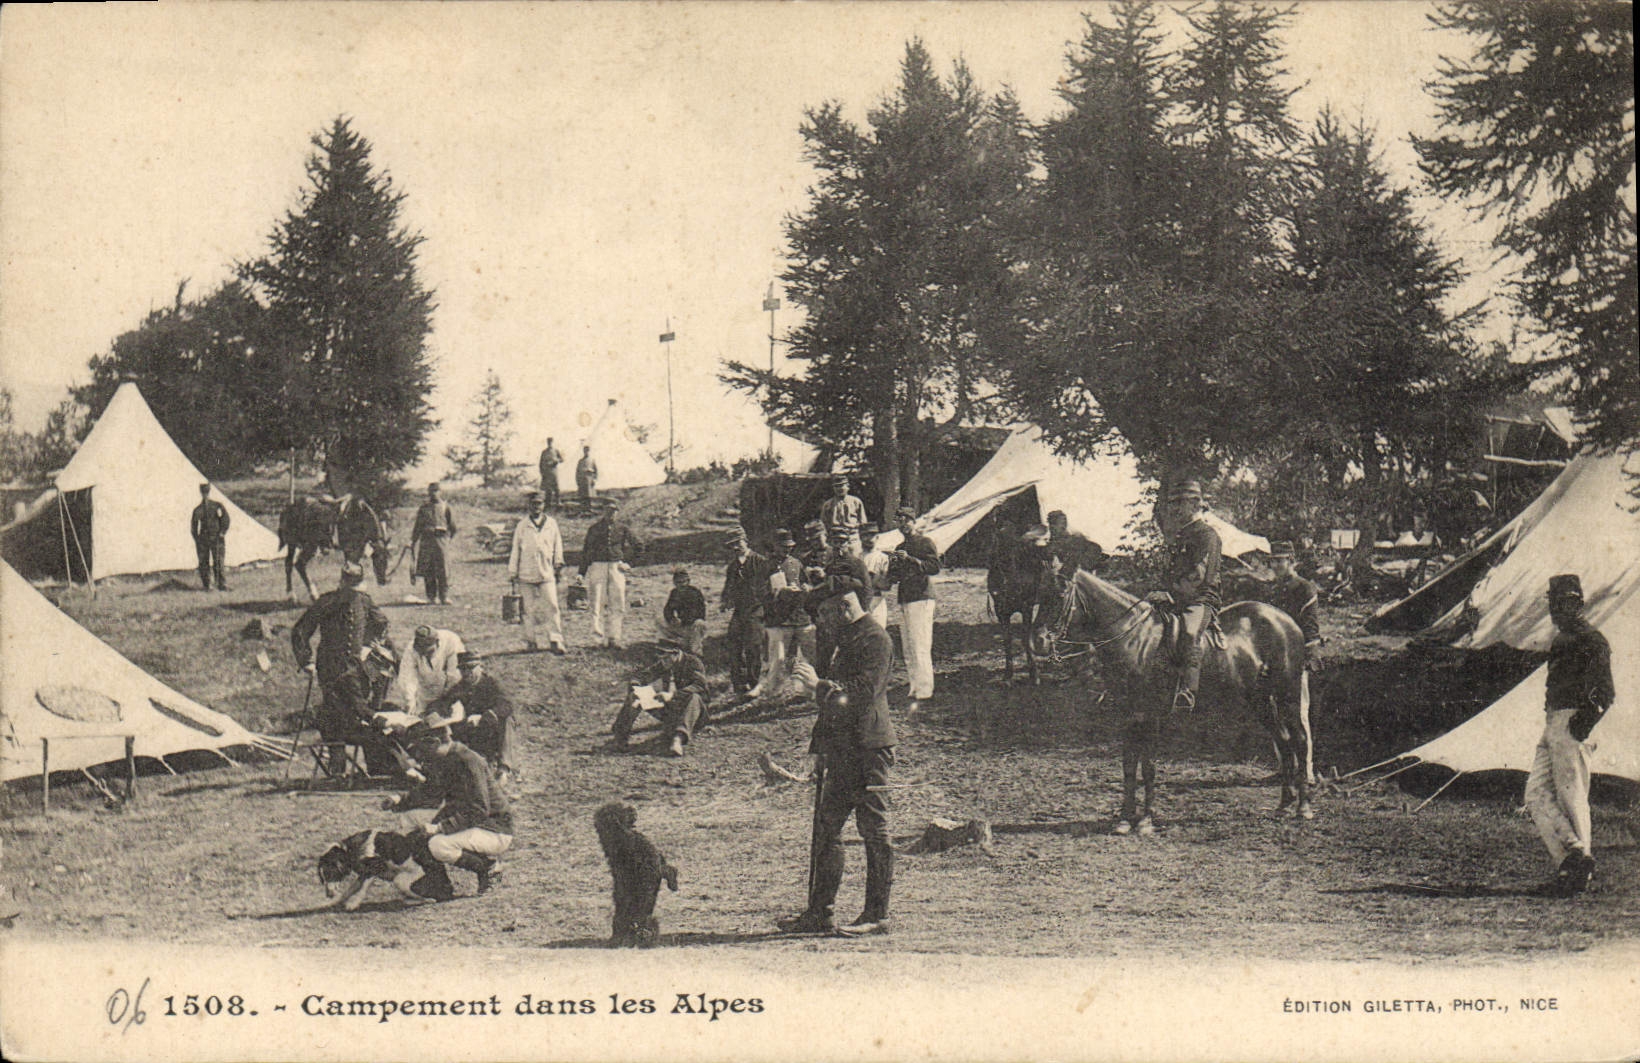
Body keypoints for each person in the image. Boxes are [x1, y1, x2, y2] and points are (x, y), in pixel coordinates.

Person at [777, 566, 895, 936]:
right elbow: (835, 704)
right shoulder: (848, 639)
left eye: (825, 614)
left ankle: (877, 915)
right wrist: (819, 750)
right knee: (826, 829)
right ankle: (820, 913)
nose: (822, 622)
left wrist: (818, 687)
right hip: (843, 752)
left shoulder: (876, 640)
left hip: (869, 749)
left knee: (874, 830)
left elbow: (859, 694)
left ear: (844, 606)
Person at [1525, 574, 1614, 897]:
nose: (1556, 610)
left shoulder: (1593, 640)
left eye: (1563, 603)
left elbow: (1606, 691)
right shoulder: (1562, 639)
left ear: (1578, 603)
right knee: (1534, 794)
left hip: (1572, 723)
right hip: (1553, 723)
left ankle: (1576, 874)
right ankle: (1575, 854)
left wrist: (1583, 724)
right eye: (1553, 603)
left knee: (1572, 799)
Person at [291, 562, 393, 773]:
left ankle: (377, 767)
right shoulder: (326, 602)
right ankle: (337, 767)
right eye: (349, 586)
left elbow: (382, 623)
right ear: (342, 581)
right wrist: (306, 661)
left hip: (357, 669)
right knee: (335, 714)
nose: (352, 592)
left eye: (356, 586)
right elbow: (301, 631)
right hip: (330, 669)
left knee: (364, 712)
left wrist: (370, 645)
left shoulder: (364, 601)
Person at [397, 724, 513, 896]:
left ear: (435, 742)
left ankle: (489, 867)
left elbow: (479, 810)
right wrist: (400, 800)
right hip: (473, 823)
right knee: (415, 832)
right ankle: (439, 885)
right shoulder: (446, 758)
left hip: (493, 828)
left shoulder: (467, 761)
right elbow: (432, 792)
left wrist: (440, 828)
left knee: (437, 844)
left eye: (420, 750)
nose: (419, 758)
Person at [1146, 479, 1221, 712]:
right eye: (1173, 504)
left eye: (1181, 504)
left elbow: (1199, 575)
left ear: (1196, 505)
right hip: (1175, 597)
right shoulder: (1181, 535)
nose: (1175, 509)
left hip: (1199, 599)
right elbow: (1170, 570)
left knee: (1189, 632)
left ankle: (1188, 691)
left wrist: (1171, 595)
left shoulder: (1207, 535)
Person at [613, 636, 711, 757]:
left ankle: (677, 740)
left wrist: (672, 695)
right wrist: (636, 685)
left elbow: (700, 686)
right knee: (635, 696)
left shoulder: (693, 663)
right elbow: (642, 676)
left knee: (694, 697)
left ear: (676, 654)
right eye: (661, 658)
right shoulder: (665, 663)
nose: (663, 661)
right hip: (671, 713)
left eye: (666, 657)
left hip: (694, 714)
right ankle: (620, 737)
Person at [425, 651, 516, 779]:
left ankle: (504, 768)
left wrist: (486, 715)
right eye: (463, 670)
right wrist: (433, 712)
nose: (467, 673)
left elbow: (507, 706)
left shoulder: (492, 684)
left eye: (471, 668)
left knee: (507, 721)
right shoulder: (461, 687)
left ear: (480, 667)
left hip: (492, 728)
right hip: (474, 732)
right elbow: (442, 702)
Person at [749, 528, 814, 700]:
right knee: (777, 658)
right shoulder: (766, 566)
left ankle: (806, 690)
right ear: (775, 546)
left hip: (799, 616)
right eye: (783, 546)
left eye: (790, 546)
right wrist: (779, 593)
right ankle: (774, 693)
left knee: (803, 657)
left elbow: (807, 584)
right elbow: (759, 592)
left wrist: (805, 589)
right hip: (778, 619)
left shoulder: (797, 563)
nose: (787, 550)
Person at [888, 507, 941, 706]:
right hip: (906, 597)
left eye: (906, 520)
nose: (903, 525)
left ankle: (925, 689)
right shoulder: (900, 545)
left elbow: (934, 567)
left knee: (920, 642)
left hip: (922, 596)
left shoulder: (925, 542)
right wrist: (892, 565)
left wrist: (909, 560)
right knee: (908, 644)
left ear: (914, 521)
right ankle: (914, 686)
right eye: (899, 521)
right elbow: (896, 576)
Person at [509, 491, 567, 654]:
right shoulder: (522, 525)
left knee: (552, 606)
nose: (536, 507)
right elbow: (515, 550)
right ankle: (530, 641)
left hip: (546, 572)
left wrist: (558, 564)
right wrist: (513, 572)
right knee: (528, 610)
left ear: (543, 505)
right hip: (526, 573)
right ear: (529, 505)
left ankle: (555, 640)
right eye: (533, 503)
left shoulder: (551, 524)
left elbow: (558, 546)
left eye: (539, 503)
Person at [579, 503, 642, 649]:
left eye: (614, 511)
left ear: (617, 512)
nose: (611, 514)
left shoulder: (622, 529)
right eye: (608, 511)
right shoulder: (594, 529)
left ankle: (614, 638)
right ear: (603, 511)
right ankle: (597, 639)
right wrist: (581, 572)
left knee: (617, 603)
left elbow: (639, 546)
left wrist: (628, 563)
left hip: (616, 568)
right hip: (597, 567)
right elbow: (586, 551)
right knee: (596, 604)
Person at [720, 528, 772, 695]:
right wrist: (726, 601)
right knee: (734, 644)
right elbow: (728, 588)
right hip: (739, 610)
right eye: (732, 546)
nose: (736, 548)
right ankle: (739, 683)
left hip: (756, 610)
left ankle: (754, 682)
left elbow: (771, 587)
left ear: (746, 541)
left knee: (753, 646)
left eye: (738, 543)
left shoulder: (761, 562)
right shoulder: (733, 566)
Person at [387, 624, 466, 719]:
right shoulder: (411, 649)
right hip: (425, 695)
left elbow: (455, 676)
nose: (426, 655)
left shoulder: (451, 641)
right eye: (422, 653)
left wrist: (444, 702)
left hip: (450, 694)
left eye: (430, 652)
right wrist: (410, 701)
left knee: (453, 721)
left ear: (437, 642)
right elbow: (407, 677)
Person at [410, 483, 458, 605]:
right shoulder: (424, 508)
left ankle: (444, 596)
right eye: (431, 491)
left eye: (436, 491)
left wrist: (446, 539)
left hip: (441, 542)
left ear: (440, 492)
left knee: (443, 569)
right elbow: (417, 527)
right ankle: (431, 597)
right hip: (426, 542)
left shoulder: (445, 507)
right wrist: (413, 541)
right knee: (428, 570)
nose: (433, 493)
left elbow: (453, 527)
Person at [337, 491, 391, 587]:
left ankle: (381, 576)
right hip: (346, 494)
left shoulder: (369, 506)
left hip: (368, 534)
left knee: (380, 550)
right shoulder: (358, 505)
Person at [190, 482, 230, 591]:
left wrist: (222, 532)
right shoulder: (198, 510)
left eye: (206, 492)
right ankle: (207, 584)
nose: (205, 495)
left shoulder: (217, 506)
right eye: (203, 493)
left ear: (209, 492)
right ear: (201, 493)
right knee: (204, 562)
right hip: (203, 539)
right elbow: (194, 527)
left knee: (219, 561)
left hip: (216, 537)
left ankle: (221, 584)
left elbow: (225, 519)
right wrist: (197, 539)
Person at [1046, 509, 1105, 579]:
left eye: (1065, 522)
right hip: (1063, 561)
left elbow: (1094, 548)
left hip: (1075, 567)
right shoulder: (1051, 538)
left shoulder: (1073, 538)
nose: (1064, 525)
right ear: (1052, 525)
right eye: (1061, 523)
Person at [819, 474, 868, 557]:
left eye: (842, 486)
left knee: (855, 562)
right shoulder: (828, 504)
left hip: (852, 539)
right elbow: (823, 525)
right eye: (836, 486)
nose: (839, 489)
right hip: (835, 540)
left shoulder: (856, 502)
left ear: (848, 486)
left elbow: (863, 523)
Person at [661, 568, 707, 656]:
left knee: (700, 624)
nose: (681, 585)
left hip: (693, 626)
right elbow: (667, 609)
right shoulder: (674, 593)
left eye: (683, 582)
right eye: (678, 582)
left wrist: (684, 621)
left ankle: (695, 652)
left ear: (688, 581)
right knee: (658, 619)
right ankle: (678, 642)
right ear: (674, 583)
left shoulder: (695, 593)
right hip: (681, 626)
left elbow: (701, 613)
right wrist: (672, 619)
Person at [857, 523, 892, 630]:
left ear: (877, 537)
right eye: (865, 535)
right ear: (860, 538)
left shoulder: (883, 558)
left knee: (878, 635)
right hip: (860, 601)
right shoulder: (857, 559)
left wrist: (872, 578)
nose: (869, 539)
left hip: (877, 601)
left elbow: (886, 585)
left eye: (872, 535)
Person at [538, 437, 564, 508]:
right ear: (547, 443)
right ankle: (548, 503)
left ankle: (558, 502)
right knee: (548, 488)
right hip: (547, 472)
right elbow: (540, 463)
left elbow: (562, 459)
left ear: (553, 442)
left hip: (554, 471)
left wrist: (556, 461)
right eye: (548, 442)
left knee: (556, 487)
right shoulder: (544, 452)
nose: (550, 443)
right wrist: (542, 472)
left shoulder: (556, 451)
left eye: (551, 442)